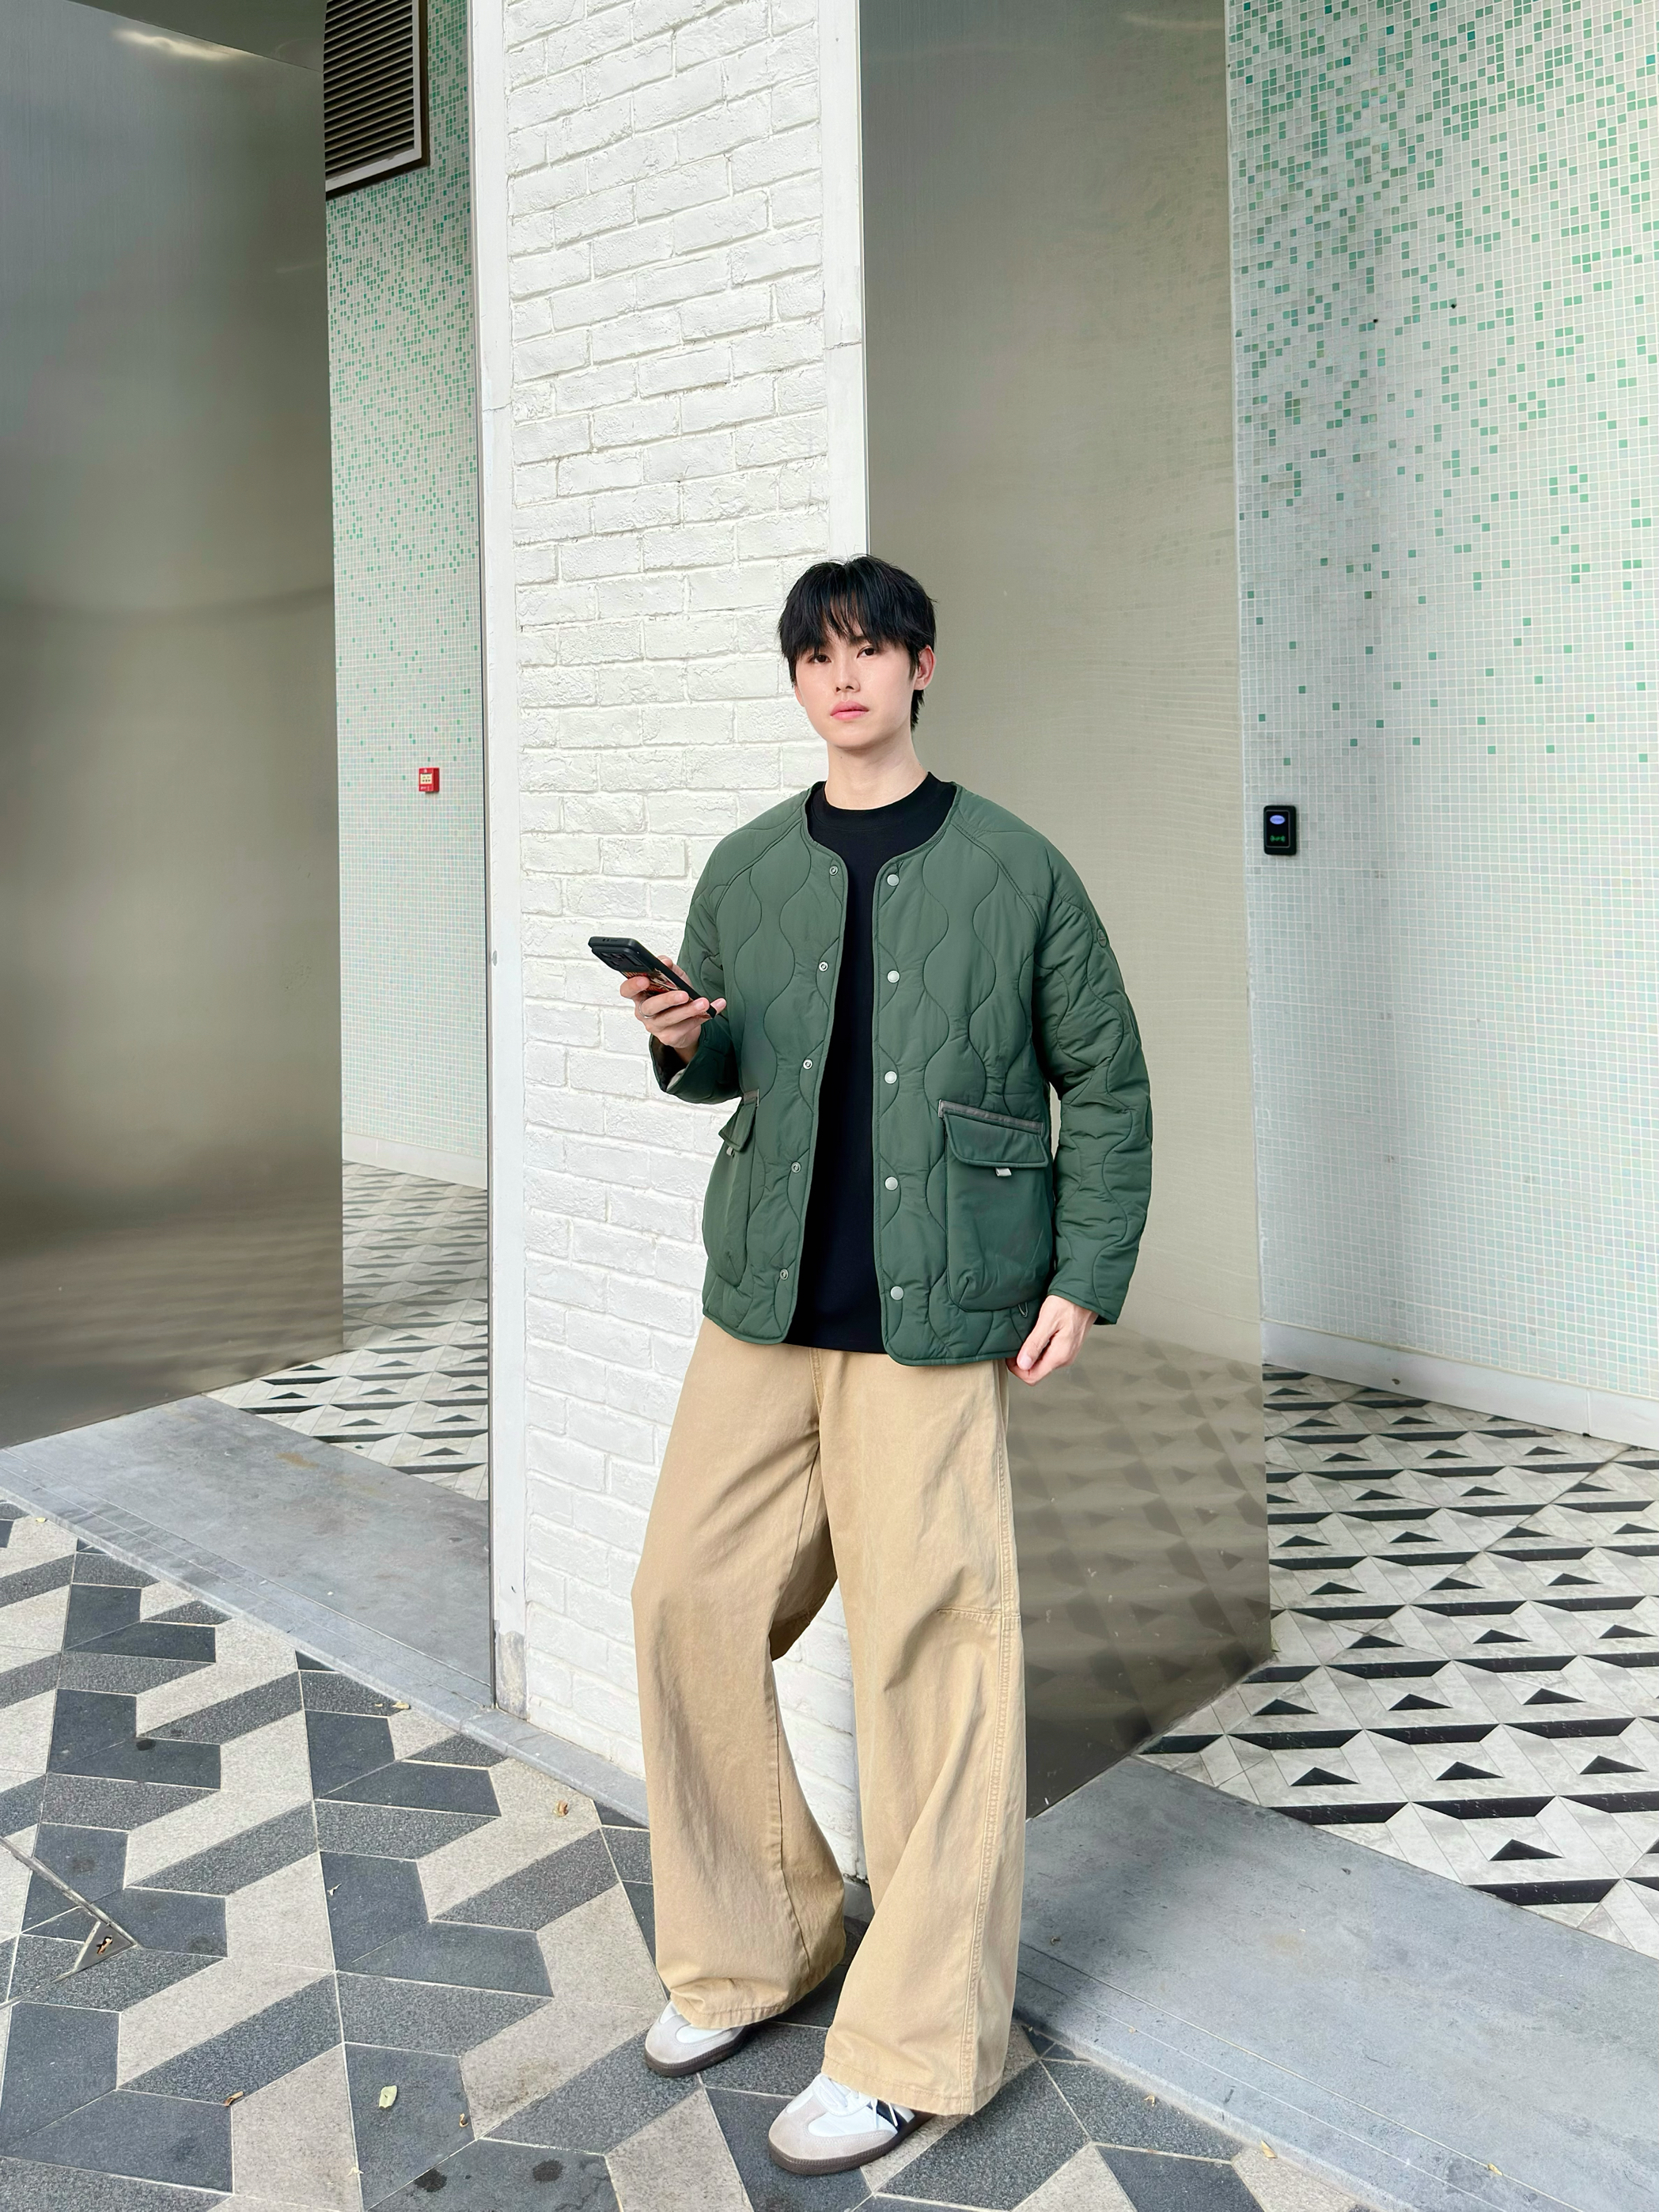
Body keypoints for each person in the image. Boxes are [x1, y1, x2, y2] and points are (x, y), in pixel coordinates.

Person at [618, 555, 1151, 2178]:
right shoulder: (745, 863)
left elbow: (1104, 1079)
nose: (842, 678)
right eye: (816, 656)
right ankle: (758, 1945)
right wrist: (679, 1037)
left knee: (934, 1661)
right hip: (763, 1306)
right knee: (685, 1599)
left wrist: (1085, 1272)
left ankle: (913, 2042)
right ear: (795, 682)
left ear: (921, 666)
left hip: (933, 1320)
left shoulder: (1017, 867)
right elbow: (728, 1061)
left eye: (869, 649)